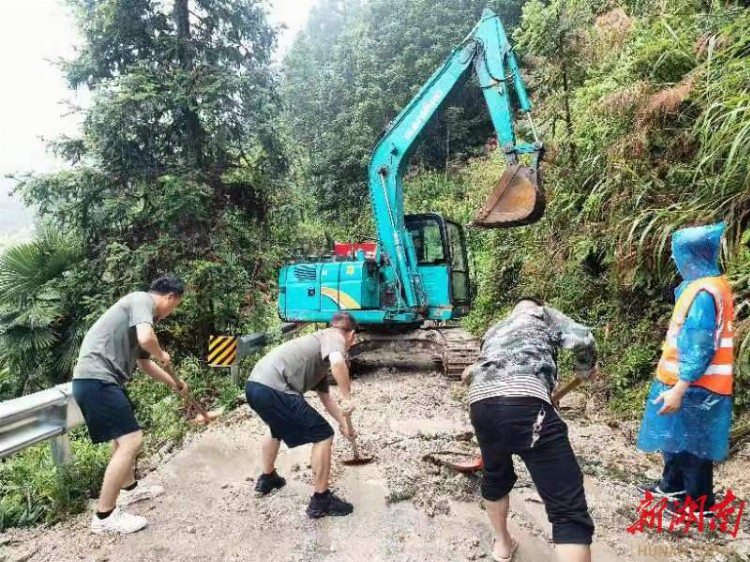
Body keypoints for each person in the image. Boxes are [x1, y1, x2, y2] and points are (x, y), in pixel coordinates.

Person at [463, 298, 598, 562]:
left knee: (495, 474)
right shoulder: (542, 315)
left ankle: (502, 546)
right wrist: (586, 369)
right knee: (567, 508)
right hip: (525, 402)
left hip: (481, 402)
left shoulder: (496, 328)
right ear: (538, 305)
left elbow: (479, 367)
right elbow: (583, 339)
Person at [72, 276, 187, 534]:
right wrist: (162, 353)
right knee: (132, 440)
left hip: (102, 381)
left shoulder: (141, 319)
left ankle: (130, 491)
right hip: (96, 379)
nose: (171, 312)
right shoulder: (140, 301)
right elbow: (148, 340)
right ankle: (104, 517)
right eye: (175, 306)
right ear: (171, 297)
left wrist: (175, 383)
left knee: (122, 439)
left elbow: (144, 364)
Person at [636, 223, 734, 515]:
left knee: (695, 446)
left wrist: (680, 387)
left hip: (697, 387)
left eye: (678, 254)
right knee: (675, 438)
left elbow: (700, 345)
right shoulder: (702, 286)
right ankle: (673, 485)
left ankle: (698, 504)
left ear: (691, 255)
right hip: (681, 380)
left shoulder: (704, 293)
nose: (677, 260)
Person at [246, 311, 358, 518]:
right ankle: (321, 500)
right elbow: (337, 361)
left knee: (276, 427)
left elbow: (326, 399)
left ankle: (268, 477)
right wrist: (347, 397)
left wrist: (344, 423)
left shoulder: (318, 352)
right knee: (323, 434)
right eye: (353, 337)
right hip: (274, 387)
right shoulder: (335, 337)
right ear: (351, 335)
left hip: (255, 386)